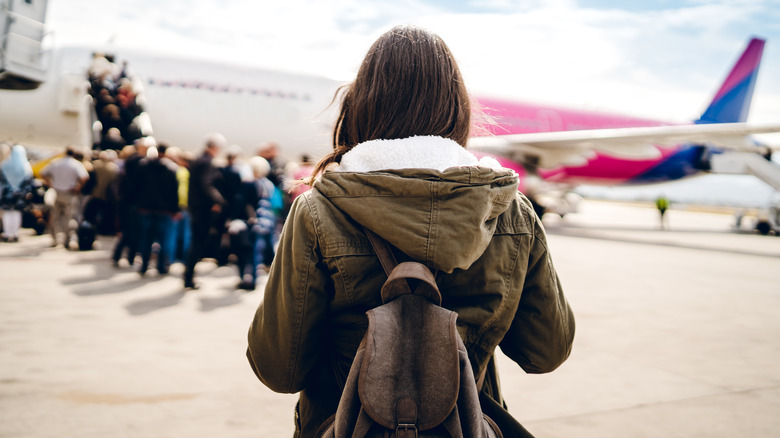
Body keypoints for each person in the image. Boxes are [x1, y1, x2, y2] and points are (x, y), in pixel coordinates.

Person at [246, 25, 575, 437]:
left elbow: (279, 369)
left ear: (361, 103)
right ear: (458, 108)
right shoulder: (511, 212)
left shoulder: (318, 210)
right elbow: (545, 352)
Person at [183, 133, 227, 290]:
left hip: (195, 207)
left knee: (196, 242)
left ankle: (188, 276)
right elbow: (206, 185)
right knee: (197, 242)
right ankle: (188, 278)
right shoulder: (206, 162)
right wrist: (219, 200)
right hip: (201, 209)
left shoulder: (198, 160)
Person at [136, 144, 179, 276]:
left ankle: (144, 265)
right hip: (164, 209)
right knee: (163, 239)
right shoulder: (171, 168)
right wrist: (174, 209)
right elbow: (174, 191)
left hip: (147, 208)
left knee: (146, 238)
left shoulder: (145, 166)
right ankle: (161, 266)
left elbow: (137, 187)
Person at [40, 146, 89, 248]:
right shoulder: (76, 164)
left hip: (57, 191)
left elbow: (42, 173)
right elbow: (85, 177)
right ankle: (69, 239)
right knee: (69, 217)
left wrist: (50, 183)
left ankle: (58, 240)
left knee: (57, 217)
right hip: (69, 192)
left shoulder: (56, 162)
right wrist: (78, 187)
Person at [0, 145, 35, 242]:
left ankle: (7, 234)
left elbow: (2, 181)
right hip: (20, 194)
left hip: (7, 193)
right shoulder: (26, 166)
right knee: (17, 213)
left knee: (7, 213)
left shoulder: (5, 165)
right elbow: (29, 182)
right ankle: (15, 234)